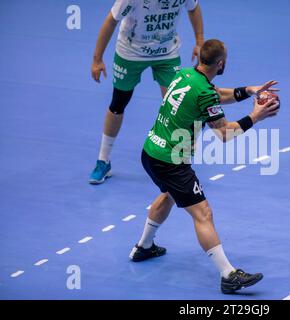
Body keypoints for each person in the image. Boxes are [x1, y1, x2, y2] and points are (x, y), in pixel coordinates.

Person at [129, 39, 280, 294]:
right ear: (221, 63)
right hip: (171, 161)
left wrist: (250, 90)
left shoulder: (187, 75)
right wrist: (256, 116)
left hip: (150, 151)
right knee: (203, 214)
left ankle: (143, 247)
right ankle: (228, 275)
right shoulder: (204, 92)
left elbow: (217, 93)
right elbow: (224, 133)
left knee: (168, 194)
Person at [89, 0, 204, 184]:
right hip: (130, 53)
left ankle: (179, 162)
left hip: (166, 53)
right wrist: (97, 59)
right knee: (119, 103)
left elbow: (194, 8)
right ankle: (103, 161)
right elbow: (111, 21)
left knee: (178, 105)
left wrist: (199, 42)